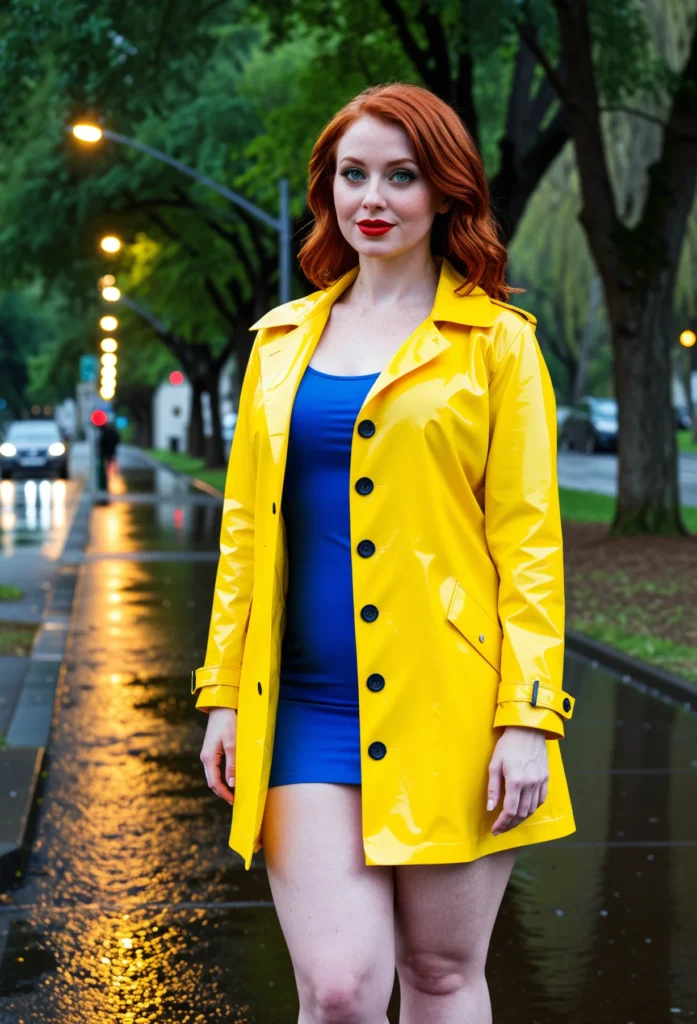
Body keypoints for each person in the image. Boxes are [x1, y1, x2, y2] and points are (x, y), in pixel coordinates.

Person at [194, 82, 576, 1023]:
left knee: (441, 974)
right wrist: (219, 695)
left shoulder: (497, 345)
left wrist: (526, 717)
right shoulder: (280, 344)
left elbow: (527, 540)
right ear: (326, 191)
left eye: (401, 176)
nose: (373, 197)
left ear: (444, 192)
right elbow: (244, 531)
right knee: (336, 991)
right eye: (351, 174)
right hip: (303, 708)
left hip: (453, 704)